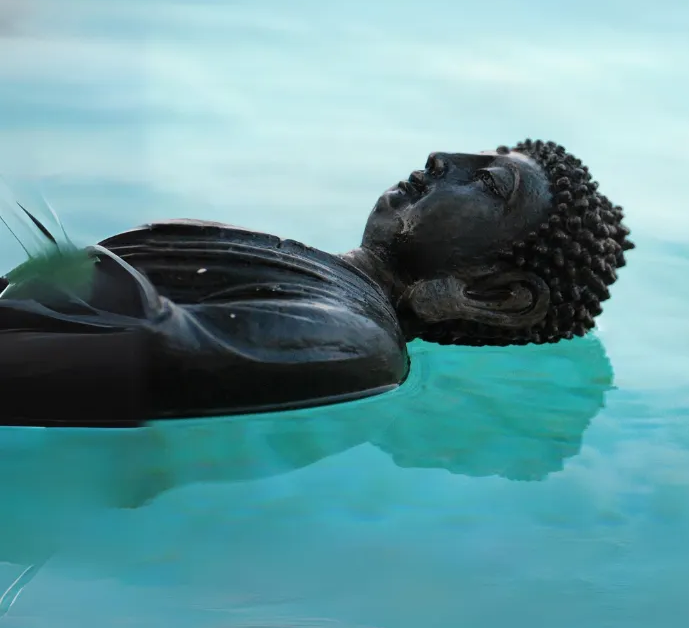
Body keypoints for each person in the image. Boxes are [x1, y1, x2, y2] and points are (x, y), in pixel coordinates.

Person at [0, 140, 633, 426]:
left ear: (496, 294)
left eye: (489, 185)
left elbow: (129, 352)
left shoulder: (355, 345)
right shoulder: (319, 281)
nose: (444, 159)